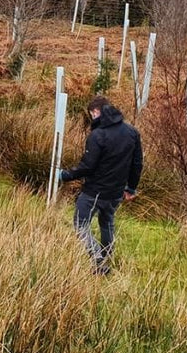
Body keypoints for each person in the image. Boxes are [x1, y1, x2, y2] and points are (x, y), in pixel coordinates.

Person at [59, 95, 144, 275]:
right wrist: (130, 188)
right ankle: (107, 257)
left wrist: (66, 175)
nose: (92, 118)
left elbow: (88, 166)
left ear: (97, 112)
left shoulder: (97, 135)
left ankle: (97, 259)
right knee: (107, 223)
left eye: (92, 115)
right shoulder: (132, 133)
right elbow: (137, 164)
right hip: (116, 192)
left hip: (94, 191)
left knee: (80, 224)